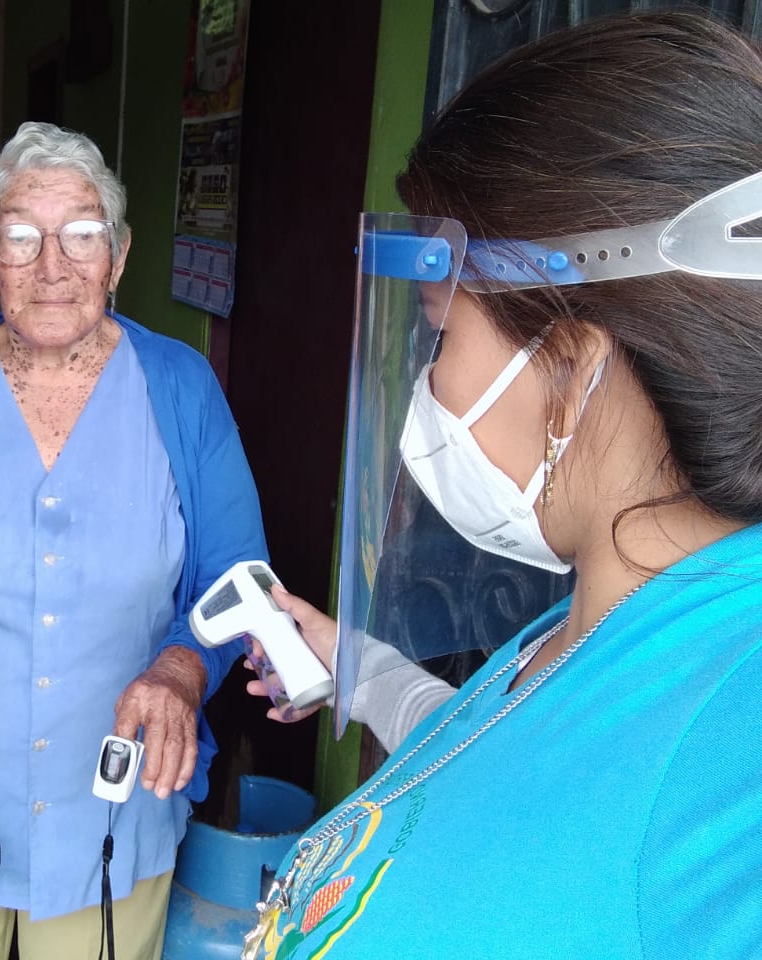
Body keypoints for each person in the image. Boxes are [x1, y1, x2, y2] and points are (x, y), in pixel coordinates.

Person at [242, 12, 762, 959]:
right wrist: (365, 671)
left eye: (440, 331)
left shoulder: (735, 739)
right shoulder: (604, 615)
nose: (427, 381)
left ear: (570, 366)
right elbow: (532, 776)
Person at [0, 120, 267, 960]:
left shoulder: (180, 385)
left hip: (112, 808)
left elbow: (237, 574)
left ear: (119, 256)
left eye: (83, 235)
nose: (53, 267)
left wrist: (182, 668)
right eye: (21, 238)